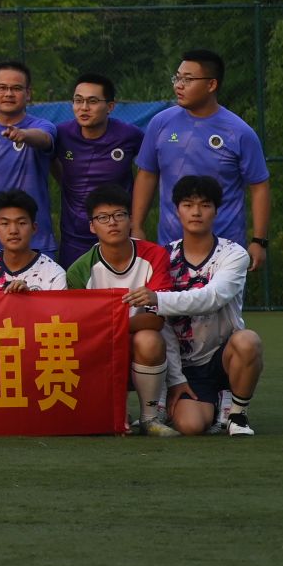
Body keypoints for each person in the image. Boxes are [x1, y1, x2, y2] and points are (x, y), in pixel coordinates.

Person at [130, 175, 263, 436]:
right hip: (181, 362)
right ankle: (174, 400)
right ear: (176, 210)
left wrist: (159, 299)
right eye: (188, 204)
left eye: (205, 205)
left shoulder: (234, 254)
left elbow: (212, 298)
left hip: (221, 356)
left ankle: (237, 413)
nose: (196, 212)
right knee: (191, 426)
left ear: (216, 210)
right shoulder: (162, 256)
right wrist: (176, 377)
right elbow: (161, 324)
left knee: (248, 341)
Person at [134, 49, 272, 266]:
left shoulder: (239, 132)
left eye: (188, 79)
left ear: (211, 85)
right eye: (177, 78)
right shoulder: (160, 123)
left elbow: (259, 186)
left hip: (225, 251)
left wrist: (259, 240)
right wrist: (137, 226)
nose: (178, 85)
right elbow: (147, 175)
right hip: (170, 248)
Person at [65, 185, 175, 432]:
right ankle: (114, 409)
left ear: (131, 220)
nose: (112, 223)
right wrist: (108, 329)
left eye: (119, 215)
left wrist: (108, 326)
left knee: (149, 339)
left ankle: (150, 418)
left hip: (137, 344)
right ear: (92, 226)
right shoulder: (79, 271)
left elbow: (155, 320)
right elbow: (82, 329)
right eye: (103, 218)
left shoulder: (155, 256)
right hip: (100, 348)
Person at [0, 60, 56, 253]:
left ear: (28, 93)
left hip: (36, 242)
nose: (8, 94)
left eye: (16, 88)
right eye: (2, 87)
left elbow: (44, 139)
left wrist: (24, 135)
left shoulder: (42, 126)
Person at [52, 73, 142, 264]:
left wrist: (137, 223)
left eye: (92, 101)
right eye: (78, 100)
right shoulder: (61, 134)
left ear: (110, 106)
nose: (84, 107)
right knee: (75, 282)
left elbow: (149, 170)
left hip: (118, 233)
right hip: (74, 237)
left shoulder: (130, 135)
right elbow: (50, 159)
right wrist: (66, 182)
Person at [0, 191, 65, 292]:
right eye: (5, 223)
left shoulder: (54, 275)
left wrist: (28, 297)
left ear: (34, 228)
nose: (13, 231)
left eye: (21, 223)